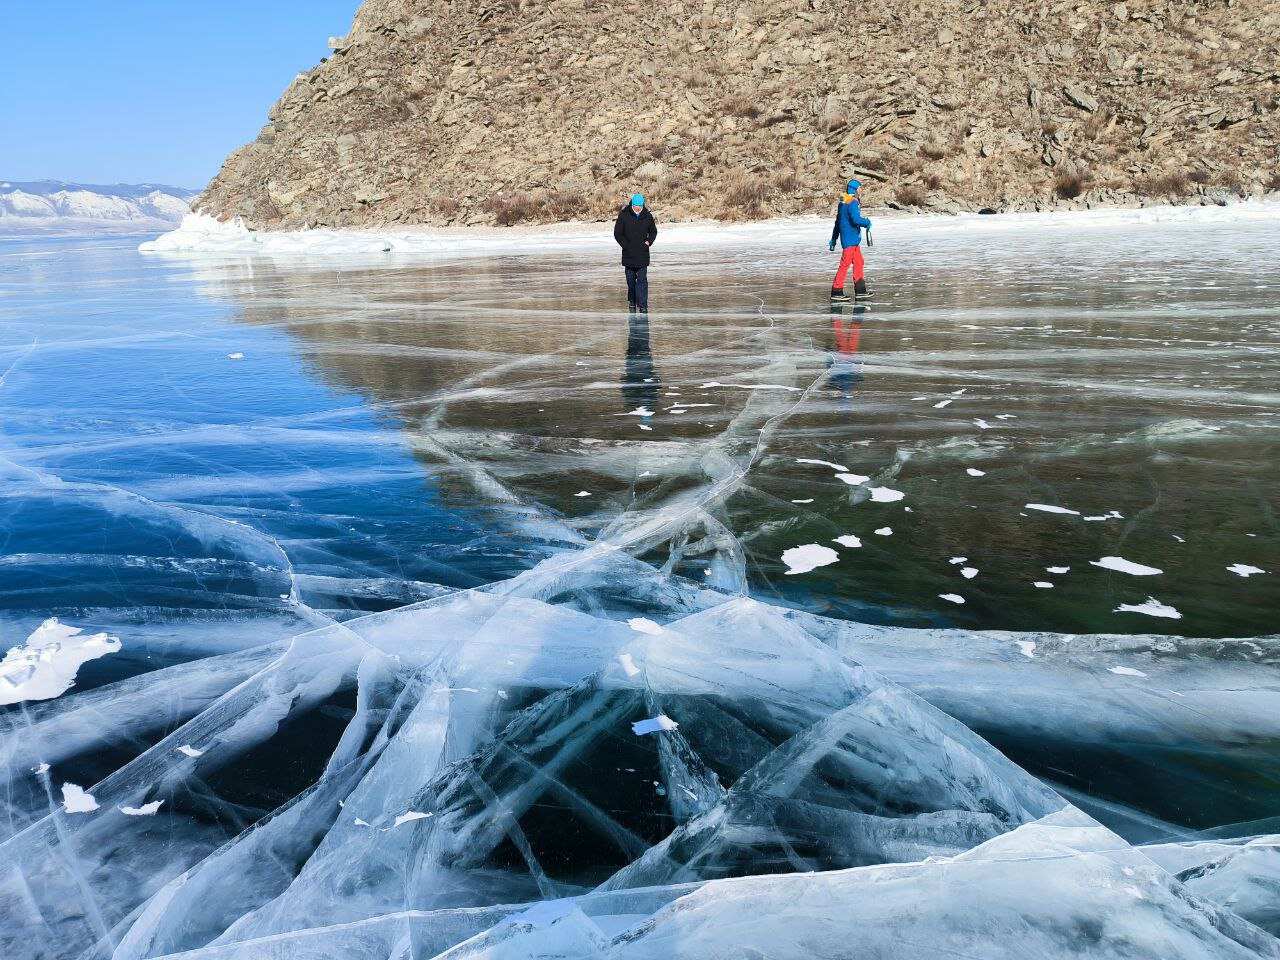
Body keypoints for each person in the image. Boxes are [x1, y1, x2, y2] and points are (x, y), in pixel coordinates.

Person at [828, 179, 872, 301]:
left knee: (859, 261)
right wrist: (867, 222)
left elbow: (838, 222)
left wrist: (834, 239)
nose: (860, 191)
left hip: (850, 239)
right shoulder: (852, 202)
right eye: (859, 189)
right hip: (850, 239)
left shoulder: (843, 201)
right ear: (855, 189)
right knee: (845, 264)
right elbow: (856, 219)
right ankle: (836, 291)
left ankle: (860, 290)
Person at [613, 193, 658, 311]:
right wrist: (625, 245)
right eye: (636, 205)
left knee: (642, 281)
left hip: (642, 253)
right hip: (629, 255)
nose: (638, 208)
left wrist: (648, 242)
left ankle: (643, 305)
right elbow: (618, 233)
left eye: (640, 205)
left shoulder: (647, 216)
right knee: (631, 281)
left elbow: (653, 231)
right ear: (632, 205)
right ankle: (632, 301)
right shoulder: (624, 215)